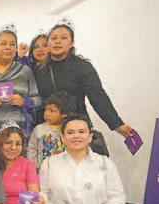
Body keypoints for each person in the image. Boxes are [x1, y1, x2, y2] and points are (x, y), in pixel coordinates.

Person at [33, 18, 135, 153]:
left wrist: (117, 124)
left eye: (63, 38)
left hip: (77, 128)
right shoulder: (39, 70)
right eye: (53, 38)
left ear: (71, 43)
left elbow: (98, 96)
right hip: (49, 131)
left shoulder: (82, 67)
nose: (57, 41)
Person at [27, 91, 73, 168]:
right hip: (41, 170)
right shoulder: (39, 129)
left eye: (52, 111)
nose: (46, 114)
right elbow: (31, 148)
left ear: (64, 114)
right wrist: (32, 167)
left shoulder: (68, 130)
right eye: (46, 109)